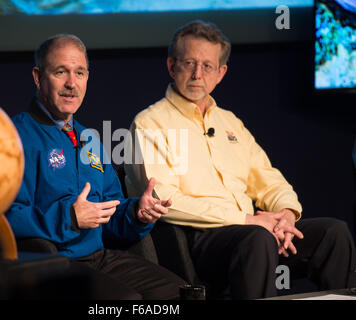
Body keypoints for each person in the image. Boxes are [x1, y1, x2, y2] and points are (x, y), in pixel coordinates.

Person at [124, 20, 356, 299]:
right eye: (189, 63)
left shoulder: (229, 122)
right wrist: (247, 220)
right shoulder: (150, 123)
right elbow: (163, 199)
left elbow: (268, 178)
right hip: (201, 241)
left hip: (254, 234)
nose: (198, 74)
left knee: (334, 233)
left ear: (220, 73)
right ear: (172, 66)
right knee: (257, 240)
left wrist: (286, 215)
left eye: (208, 66)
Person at [5, 34, 186, 300]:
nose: (71, 83)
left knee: (182, 293)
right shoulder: (14, 136)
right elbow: (5, 218)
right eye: (60, 72)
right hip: (51, 265)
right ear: (37, 76)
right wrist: (69, 218)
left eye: (80, 73)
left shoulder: (89, 139)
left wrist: (137, 212)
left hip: (99, 258)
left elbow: (110, 214)